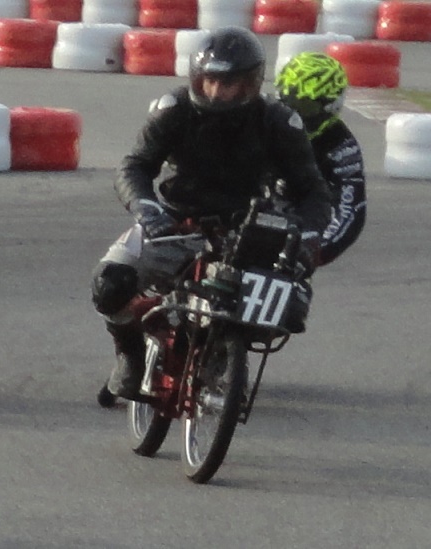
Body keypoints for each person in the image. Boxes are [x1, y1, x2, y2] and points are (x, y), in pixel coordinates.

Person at [91, 26, 332, 402]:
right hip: (174, 223)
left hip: (246, 232)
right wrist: (147, 209)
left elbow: (313, 190)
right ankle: (129, 354)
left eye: (228, 83)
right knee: (109, 283)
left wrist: (308, 235)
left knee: (289, 308)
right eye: (210, 80)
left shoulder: (278, 121)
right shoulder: (174, 109)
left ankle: (222, 351)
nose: (217, 91)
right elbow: (134, 166)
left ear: (251, 82)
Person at [275, 51, 366, 266]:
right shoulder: (261, 118)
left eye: (305, 107)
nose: (294, 115)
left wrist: (312, 250)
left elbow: (350, 212)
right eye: (287, 104)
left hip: (290, 227)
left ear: (330, 107)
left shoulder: (341, 146)